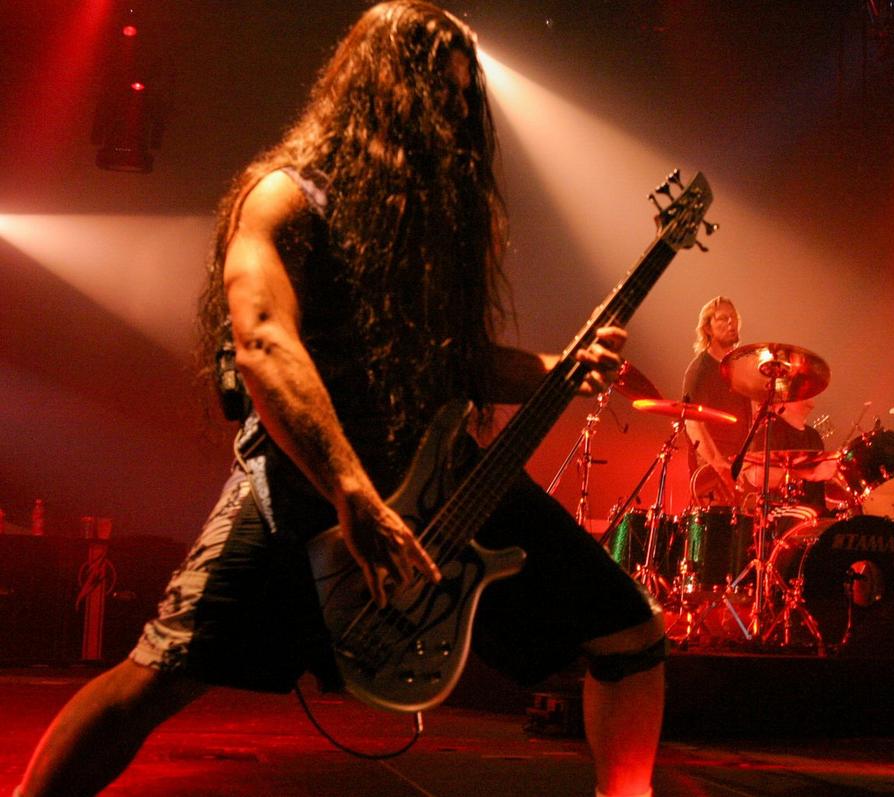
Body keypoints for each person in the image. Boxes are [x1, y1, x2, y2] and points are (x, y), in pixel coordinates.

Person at [17, 4, 664, 797]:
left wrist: (552, 369)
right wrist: (352, 491)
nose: (454, 119)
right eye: (437, 96)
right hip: (307, 487)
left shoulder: (417, 228)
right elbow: (264, 343)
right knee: (160, 672)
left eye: (464, 100)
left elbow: (437, 361)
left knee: (628, 635)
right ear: (383, 95)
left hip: (440, 480)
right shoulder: (284, 199)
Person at [680, 296, 751, 502]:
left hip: (739, 467)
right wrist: (719, 465)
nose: (731, 322)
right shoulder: (700, 370)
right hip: (712, 475)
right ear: (707, 328)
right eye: (722, 318)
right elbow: (693, 424)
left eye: (733, 317)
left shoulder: (739, 367)